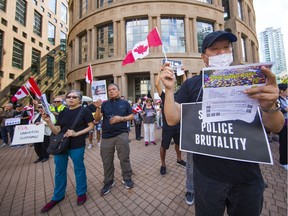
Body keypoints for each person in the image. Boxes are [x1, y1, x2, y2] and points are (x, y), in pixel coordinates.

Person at [160, 30, 284, 216]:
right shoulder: (192, 84)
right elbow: (172, 117)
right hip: (207, 177)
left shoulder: (251, 81)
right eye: (214, 49)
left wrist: (269, 104)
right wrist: (169, 91)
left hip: (247, 177)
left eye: (226, 48)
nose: (221, 53)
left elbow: (276, 126)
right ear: (204, 57)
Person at [41, 90, 94, 213]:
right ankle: (58, 196)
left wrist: (76, 133)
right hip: (61, 145)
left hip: (77, 144)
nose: (71, 99)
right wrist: (49, 122)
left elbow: (91, 126)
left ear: (79, 100)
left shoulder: (84, 110)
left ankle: (81, 193)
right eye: (68, 97)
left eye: (74, 97)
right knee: (59, 171)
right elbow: (57, 130)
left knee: (78, 168)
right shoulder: (63, 111)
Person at [93, 83, 134, 196]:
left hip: (121, 134)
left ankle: (127, 178)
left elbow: (132, 116)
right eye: (109, 90)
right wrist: (97, 107)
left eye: (114, 89)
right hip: (106, 136)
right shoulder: (104, 104)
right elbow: (97, 119)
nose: (111, 91)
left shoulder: (125, 103)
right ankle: (108, 181)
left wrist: (121, 118)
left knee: (124, 158)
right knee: (106, 161)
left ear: (119, 91)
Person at [155, 71, 186, 177]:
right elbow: (156, 84)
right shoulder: (164, 95)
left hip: (178, 125)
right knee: (164, 146)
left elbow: (185, 83)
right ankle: (163, 164)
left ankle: (179, 159)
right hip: (167, 127)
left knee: (178, 144)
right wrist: (160, 72)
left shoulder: (179, 95)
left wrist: (182, 72)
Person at [277, 83, 287, 170]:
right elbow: (276, 113)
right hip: (283, 124)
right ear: (282, 91)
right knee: (284, 143)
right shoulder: (277, 100)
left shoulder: (286, 99)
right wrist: (285, 109)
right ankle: (283, 161)